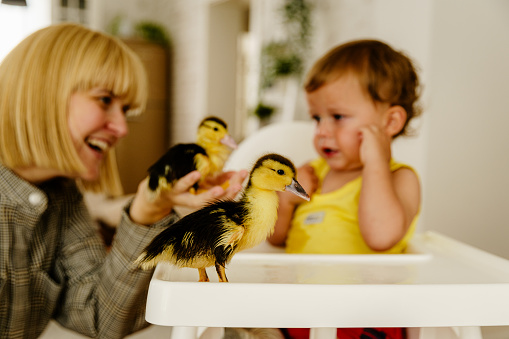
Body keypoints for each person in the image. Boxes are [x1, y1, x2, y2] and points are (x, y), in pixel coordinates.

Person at [0, 23, 247, 339]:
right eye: (104, 100)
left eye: (125, 110)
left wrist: (148, 208)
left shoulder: (64, 197)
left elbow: (103, 318)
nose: (121, 128)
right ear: (41, 94)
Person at [268, 40, 422, 339]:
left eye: (337, 117)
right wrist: (285, 203)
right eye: (317, 118)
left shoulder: (399, 179)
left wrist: (375, 162)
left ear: (390, 121)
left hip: (366, 319)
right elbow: (275, 239)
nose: (322, 130)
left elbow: (380, 237)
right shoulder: (312, 173)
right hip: (299, 313)